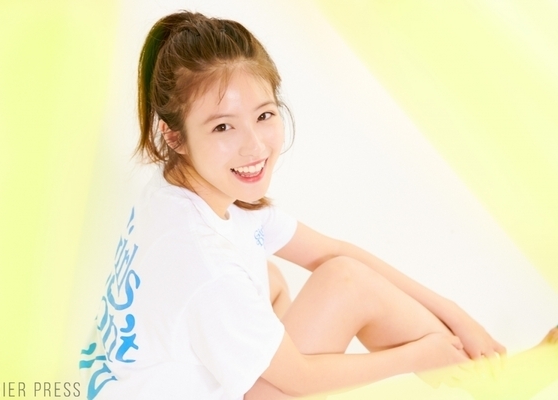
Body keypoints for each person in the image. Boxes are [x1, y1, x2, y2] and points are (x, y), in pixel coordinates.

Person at [79, 10, 558, 400]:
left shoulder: (183, 191)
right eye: (223, 127)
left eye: (264, 115)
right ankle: (493, 388)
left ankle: (488, 380)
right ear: (174, 136)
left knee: (275, 277)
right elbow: (299, 378)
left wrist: (457, 316)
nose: (254, 147)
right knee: (346, 285)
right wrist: (419, 354)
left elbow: (330, 251)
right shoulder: (205, 264)